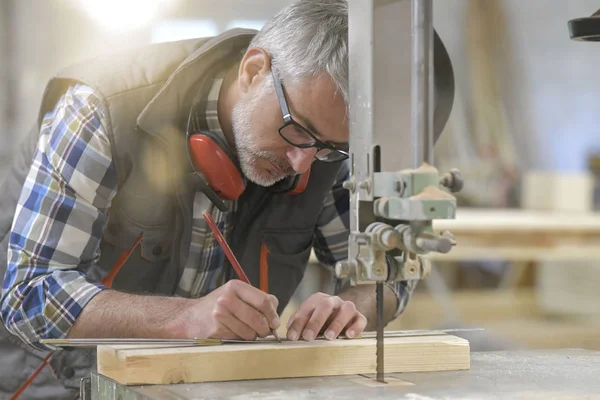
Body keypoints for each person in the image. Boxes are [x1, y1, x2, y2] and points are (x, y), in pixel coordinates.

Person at [0, 0, 416, 398]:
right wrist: (186, 316)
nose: (302, 162)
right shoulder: (101, 111)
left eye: (326, 148)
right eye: (297, 131)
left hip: (203, 384)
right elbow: (29, 295)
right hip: (50, 381)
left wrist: (349, 305)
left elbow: (392, 270)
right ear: (254, 70)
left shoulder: (321, 141)